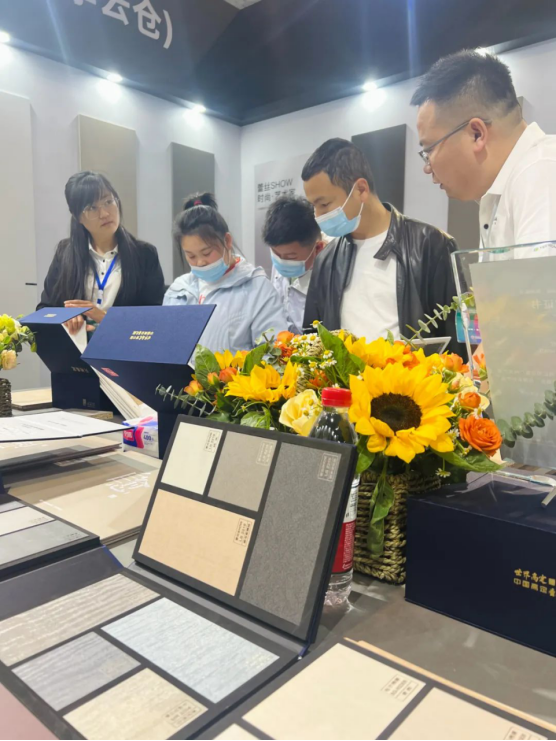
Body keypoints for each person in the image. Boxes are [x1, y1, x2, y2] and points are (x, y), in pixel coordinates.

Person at [301, 138, 464, 352]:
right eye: (313, 206)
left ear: (361, 189)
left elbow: (458, 339)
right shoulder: (326, 260)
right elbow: (312, 340)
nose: (318, 215)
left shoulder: (430, 245)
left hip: (413, 372)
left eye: (324, 204)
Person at [411, 49, 556, 257]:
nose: (427, 167)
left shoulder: (540, 171)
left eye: (429, 149)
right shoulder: (503, 192)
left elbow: (541, 279)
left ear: (477, 134)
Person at [39, 171, 165, 333]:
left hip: (124, 345)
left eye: (108, 202)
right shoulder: (65, 253)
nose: (105, 213)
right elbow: (44, 309)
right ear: (78, 217)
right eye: (92, 208)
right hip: (76, 347)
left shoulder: (145, 254)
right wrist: (66, 318)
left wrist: (105, 318)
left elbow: (154, 317)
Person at [164, 193, 288, 353]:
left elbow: (273, 353)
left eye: (207, 253)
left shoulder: (257, 289)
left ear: (227, 241)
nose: (200, 262)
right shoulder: (178, 290)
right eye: (191, 256)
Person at [263, 196, 326, 334]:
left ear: (318, 248)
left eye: (291, 257)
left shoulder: (330, 275)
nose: (281, 261)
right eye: (275, 253)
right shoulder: (280, 261)